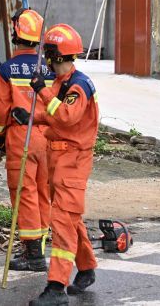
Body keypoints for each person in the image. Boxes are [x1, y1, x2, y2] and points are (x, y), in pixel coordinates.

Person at [12, 24, 99, 306]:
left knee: (61, 221)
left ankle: (56, 287)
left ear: (55, 56)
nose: (45, 60)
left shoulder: (79, 86)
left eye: (47, 54)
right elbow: (51, 116)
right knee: (70, 217)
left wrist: (43, 93)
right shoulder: (62, 83)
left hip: (73, 161)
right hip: (58, 158)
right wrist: (31, 117)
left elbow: (65, 117)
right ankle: (85, 269)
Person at [0, 8, 51, 272]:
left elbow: (1, 110)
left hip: (21, 136)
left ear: (15, 32)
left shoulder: (7, 69)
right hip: (48, 136)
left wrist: (0, 137)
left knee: (24, 193)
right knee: (42, 192)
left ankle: (32, 253)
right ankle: (42, 241)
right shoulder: (50, 66)